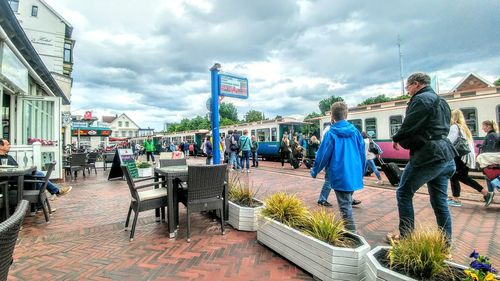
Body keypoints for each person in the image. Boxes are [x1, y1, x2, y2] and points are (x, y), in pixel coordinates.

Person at [389, 72, 456, 243]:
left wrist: (396, 138)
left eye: (408, 87)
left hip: (428, 156)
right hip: (446, 155)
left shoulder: (420, 100)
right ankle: (445, 242)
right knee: (440, 201)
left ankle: (406, 237)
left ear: (416, 84)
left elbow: (409, 125)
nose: (408, 91)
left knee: (404, 193)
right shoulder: (442, 101)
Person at [310, 102, 365, 232]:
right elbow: (362, 154)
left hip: (339, 174)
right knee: (347, 204)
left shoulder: (331, 133)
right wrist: (360, 172)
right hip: (353, 174)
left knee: (345, 207)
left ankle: (353, 236)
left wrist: (315, 171)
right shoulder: (356, 132)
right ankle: (350, 234)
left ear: (332, 117)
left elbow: (323, 156)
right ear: (346, 114)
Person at [446, 110, 494, 207]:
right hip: (467, 156)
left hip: (460, 156)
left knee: (455, 176)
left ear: (453, 117)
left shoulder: (455, 127)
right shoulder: (464, 128)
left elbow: (448, 141)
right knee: (461, 177)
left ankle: (456, 199)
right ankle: (485, 193)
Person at [0, 139, 72, 198]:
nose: (10, 146)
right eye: (7, 144)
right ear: (1, 146)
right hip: (9, 180)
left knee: (37, 178)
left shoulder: (9, 157)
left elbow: (17, 167)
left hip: (18, 177)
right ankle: (56, 192)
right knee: (39, 175)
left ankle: (38, 206)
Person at [478, 120, 500, 194]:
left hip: (490, 161)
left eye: (483, 126)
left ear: (488, 126)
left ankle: (491, 193)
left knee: (491, 177)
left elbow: (491, 150)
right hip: (491, 161)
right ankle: (490, 193)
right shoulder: (492, 135)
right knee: (490, 177)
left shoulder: (491, 135)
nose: (482, 128)